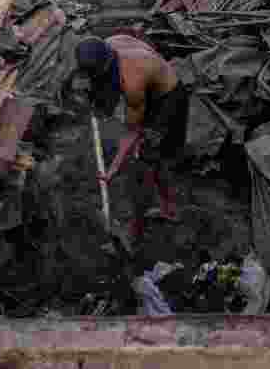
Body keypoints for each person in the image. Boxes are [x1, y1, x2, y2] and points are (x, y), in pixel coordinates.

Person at [73, 35, 189, 242]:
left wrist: (113, 168)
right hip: (152, 84)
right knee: (151, 160)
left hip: (169, 101)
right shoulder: (110, 44)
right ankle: (168, 207)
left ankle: (137, 227)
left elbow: (131, 132)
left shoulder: (133, 83)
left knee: (146, 162)